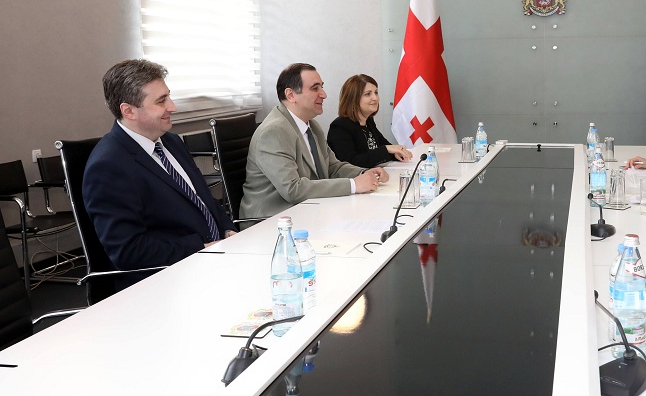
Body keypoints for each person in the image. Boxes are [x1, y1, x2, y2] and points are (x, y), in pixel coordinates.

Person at [83, 59, 237, 288]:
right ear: (129, 111)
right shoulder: (109, 166)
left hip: (213, 261)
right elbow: (129, 251)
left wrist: (227, 229)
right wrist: (200, 248)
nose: (172, 107)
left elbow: (204, 200)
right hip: (167, 281)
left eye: (168, 97)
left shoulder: (171, 142)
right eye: (161, 101)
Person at [241, 63, 388, 219]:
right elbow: (293, 189)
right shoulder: (274, 132)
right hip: (272, 220)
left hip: (309, 210)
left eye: (321, 87)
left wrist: (364, 173)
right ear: (291, 95)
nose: (323, 94)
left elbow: (332, 167)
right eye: (315, 88)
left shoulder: (312, 126)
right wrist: (354, 185)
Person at [327, 74, 413, 167]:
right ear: (353, 99)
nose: (375, 98)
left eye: (376, 92)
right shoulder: (340, 127)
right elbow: (350, 163)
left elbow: (384, 147)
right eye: (368, 94)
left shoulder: (368, 121)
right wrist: (387, 149)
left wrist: (397, 152)